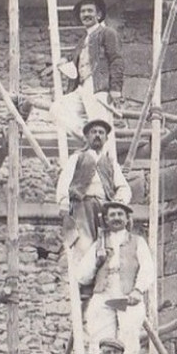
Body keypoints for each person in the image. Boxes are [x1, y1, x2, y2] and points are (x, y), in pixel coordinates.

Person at [76, 202, 154, 354]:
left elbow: (148, 269)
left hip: (126, 294)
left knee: (128, 339)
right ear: (106, 219)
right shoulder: (99, 244)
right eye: (112, 215)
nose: (116, 218)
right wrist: (98, 261)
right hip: (104, 293)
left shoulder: (137, 242)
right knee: (99, 341)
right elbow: (81, 276)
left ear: (127, 219)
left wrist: (138, 290)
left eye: (120, 214)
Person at [56, 119, 132, 289]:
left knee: (105, 242)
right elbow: (65, 180)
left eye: (101, 133)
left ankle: (105, 278)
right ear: (87, 137)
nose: (97, 135)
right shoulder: (78, 157)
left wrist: (120, 201)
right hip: (83, 205)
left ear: (105, 138)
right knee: (84, 242)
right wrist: (63, 201)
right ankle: (82, 280)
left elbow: (123, 187)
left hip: (105, 207)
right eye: (94, 132)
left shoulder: (110, 162)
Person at [49, 0, 124, 147]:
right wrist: (65, 59)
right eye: (83, 12)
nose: (85, 15)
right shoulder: (83, 40)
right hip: (82, 87)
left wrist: (116, 89)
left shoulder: (107, 33)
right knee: (57, 109)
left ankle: (101, 159)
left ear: (99, 15)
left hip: (97, 86)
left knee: (100, 126)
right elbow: (77, 54)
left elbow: (116, 59)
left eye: (90, 11)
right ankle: (86, 138)